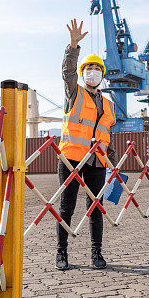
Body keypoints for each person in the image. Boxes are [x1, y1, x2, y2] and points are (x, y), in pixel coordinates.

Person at [55, 18, 117, 270]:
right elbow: (67, 72)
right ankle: (61, 254)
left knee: (96, 208)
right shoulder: (74, 92)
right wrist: (73, 46)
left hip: (97, 161)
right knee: (66, 207)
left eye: (97, 68)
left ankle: (96, 254)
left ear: (102, 74)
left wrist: (114, 167)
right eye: (88, 68)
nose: (93, 72)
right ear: (83, 74)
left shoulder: (110, 104)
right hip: (70, 158)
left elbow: (107, 138)